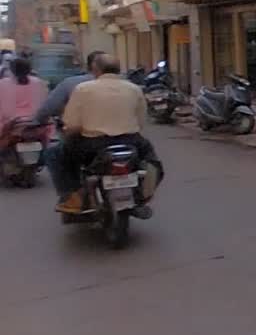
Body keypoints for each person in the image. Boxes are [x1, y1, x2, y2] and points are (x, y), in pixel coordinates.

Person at [55, 55, 153, 214]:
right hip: (131, 141)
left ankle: (73, 197)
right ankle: (144, 193)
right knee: (152, 161)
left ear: (96, 70)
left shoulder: (83, 88)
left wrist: (71, 130)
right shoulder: (134, 88)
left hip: (93, 145)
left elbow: (72, 124)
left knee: (60, 156)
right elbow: (141, 121)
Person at [35, 50, 105, 200]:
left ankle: (70, 195)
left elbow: (50, 108)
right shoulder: (127, 84)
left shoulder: (73, 84)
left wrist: (38, 121)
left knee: (53, 154)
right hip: (126, 137)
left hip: (87, 138)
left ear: (91, 66)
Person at [0, 57, 50, 146]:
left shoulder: (3, 83)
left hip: (11, 125)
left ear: (12, 70)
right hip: (37, 124)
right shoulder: (39, 83)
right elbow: (46, 105)